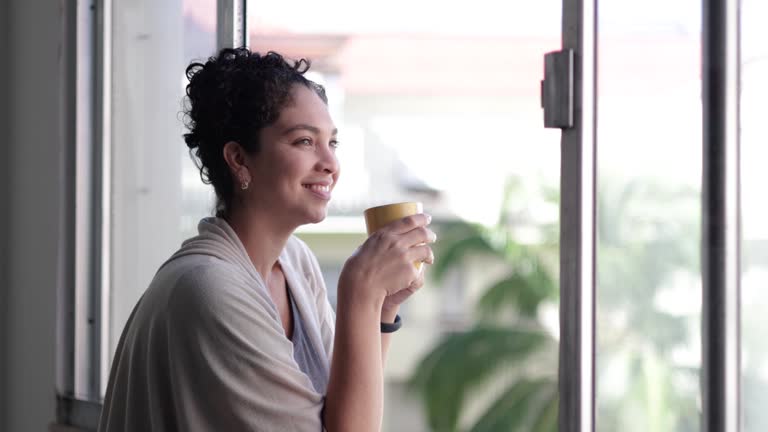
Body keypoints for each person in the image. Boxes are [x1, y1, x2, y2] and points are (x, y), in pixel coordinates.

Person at [97, 47, 436, 432]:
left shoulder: (296, 262)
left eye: (333, 142)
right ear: (239, 159)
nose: (330, 163)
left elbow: (342, 408)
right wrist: (359, 289)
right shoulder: (210, 289)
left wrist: (382, 308)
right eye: (304, 142)